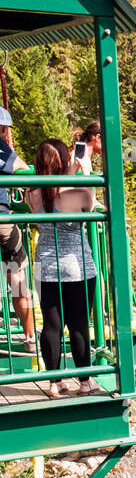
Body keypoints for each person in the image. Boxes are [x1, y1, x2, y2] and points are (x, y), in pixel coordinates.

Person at [26, 139, 98, 398]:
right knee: (78, 324)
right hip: (77, 266)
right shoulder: (76, 192)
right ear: (65, 161)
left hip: (45, 267)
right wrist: (85, 172)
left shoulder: (32, 193)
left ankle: (54, 383)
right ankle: (86, 382)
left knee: (51, 326)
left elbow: (51, 192)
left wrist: (70, 173)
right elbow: (90, 206)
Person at [0, 107, 36, 352]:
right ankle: (30, 337)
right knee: (18, 277)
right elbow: (22, 169)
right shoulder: (3, 150)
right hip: (2, 222)